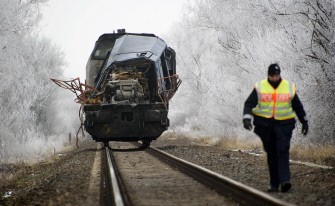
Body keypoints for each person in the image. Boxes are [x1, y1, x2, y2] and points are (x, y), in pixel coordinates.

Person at [242, 63, 308, 193]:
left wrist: (304, 121)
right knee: (272, 154)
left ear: (279, 74)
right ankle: (274, 183)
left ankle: (285, 181)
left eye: (277, 75)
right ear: (268, 75)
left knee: (282, 150)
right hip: (265, 126)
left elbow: (297, 106)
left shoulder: (288, 87)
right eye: (272, 75)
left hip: (284, 125)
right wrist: (246, 118)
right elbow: (249, 103)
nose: (275, 77)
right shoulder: (260, 87)